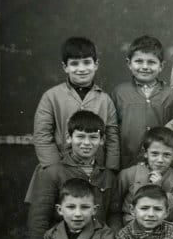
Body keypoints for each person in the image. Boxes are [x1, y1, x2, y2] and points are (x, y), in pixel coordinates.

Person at [26, 37, 119, 204]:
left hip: (94, 171)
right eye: (75, 64)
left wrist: (109, 171)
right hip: (58, 167)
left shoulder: (105, 100)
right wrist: (57, 170)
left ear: (96, 64)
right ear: (65, 67)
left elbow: (112, 138)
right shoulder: (51, 96)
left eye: (87, 62)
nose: (81, 69)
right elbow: (42, 136)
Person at [26, 111, 119, 239]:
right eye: (80, 136)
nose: (86, 143)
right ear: (69, 138)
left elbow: (114, 215)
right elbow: (39, 221)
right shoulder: (53, 173)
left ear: (101, 140)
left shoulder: (108, 176)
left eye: (93, 137)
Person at [111, 35, 173, 168]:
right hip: (127, 165)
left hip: (160, 166)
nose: (145, 67)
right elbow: (112, 133)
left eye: (151, 62)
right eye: (139, 61)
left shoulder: (170, 95)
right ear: (129, 63)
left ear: (161, 66)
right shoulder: (119, 93)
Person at [113, 127, 173, 227]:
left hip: (164, 230)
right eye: (154, 154)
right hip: (132, 228)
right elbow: (114, 209)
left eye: (167, 155)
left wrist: (160, 190)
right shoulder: (128, 174)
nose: (160, 160)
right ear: (145, 152)